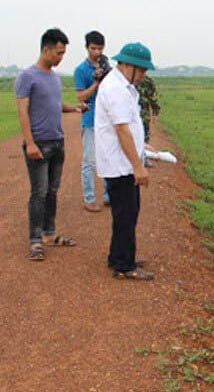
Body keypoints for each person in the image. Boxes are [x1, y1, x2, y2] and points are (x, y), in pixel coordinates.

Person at [15, 28, 83, 261]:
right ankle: (35, 240)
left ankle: (49, 233)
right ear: (46, 49)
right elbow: (22, 111)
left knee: (52, 191)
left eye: (63, 53)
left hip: (57, 141)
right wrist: (30, 143)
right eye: (58, 52)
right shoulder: (27, 76)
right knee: (39, 192)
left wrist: (73, 108)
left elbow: (54, 104)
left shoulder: (54, 77)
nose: (60, 57)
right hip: (39, 144)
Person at [94, 42, 155, 280]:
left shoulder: (123, 86)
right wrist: (138, 167)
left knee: (126, 213)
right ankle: (124, 265)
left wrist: (143, 146)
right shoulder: (116, 89)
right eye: (141, 70)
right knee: (127, 214)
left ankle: (118, 255)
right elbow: (121, 129)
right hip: (121, 165)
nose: (143, 75)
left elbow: (129, 125)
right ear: (127, 65)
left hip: (122, 161)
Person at [74, 30, 110, 212]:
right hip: (89, 119)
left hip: (106, 119)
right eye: (93, 48)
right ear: (86, 47)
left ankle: (107, 195)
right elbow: (80, 96)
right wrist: (96, 82)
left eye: (100, 49)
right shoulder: (81, 70)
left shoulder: (106, 65)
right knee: (89, 160)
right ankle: (89, 198)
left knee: (106, 158)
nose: (97, 52)